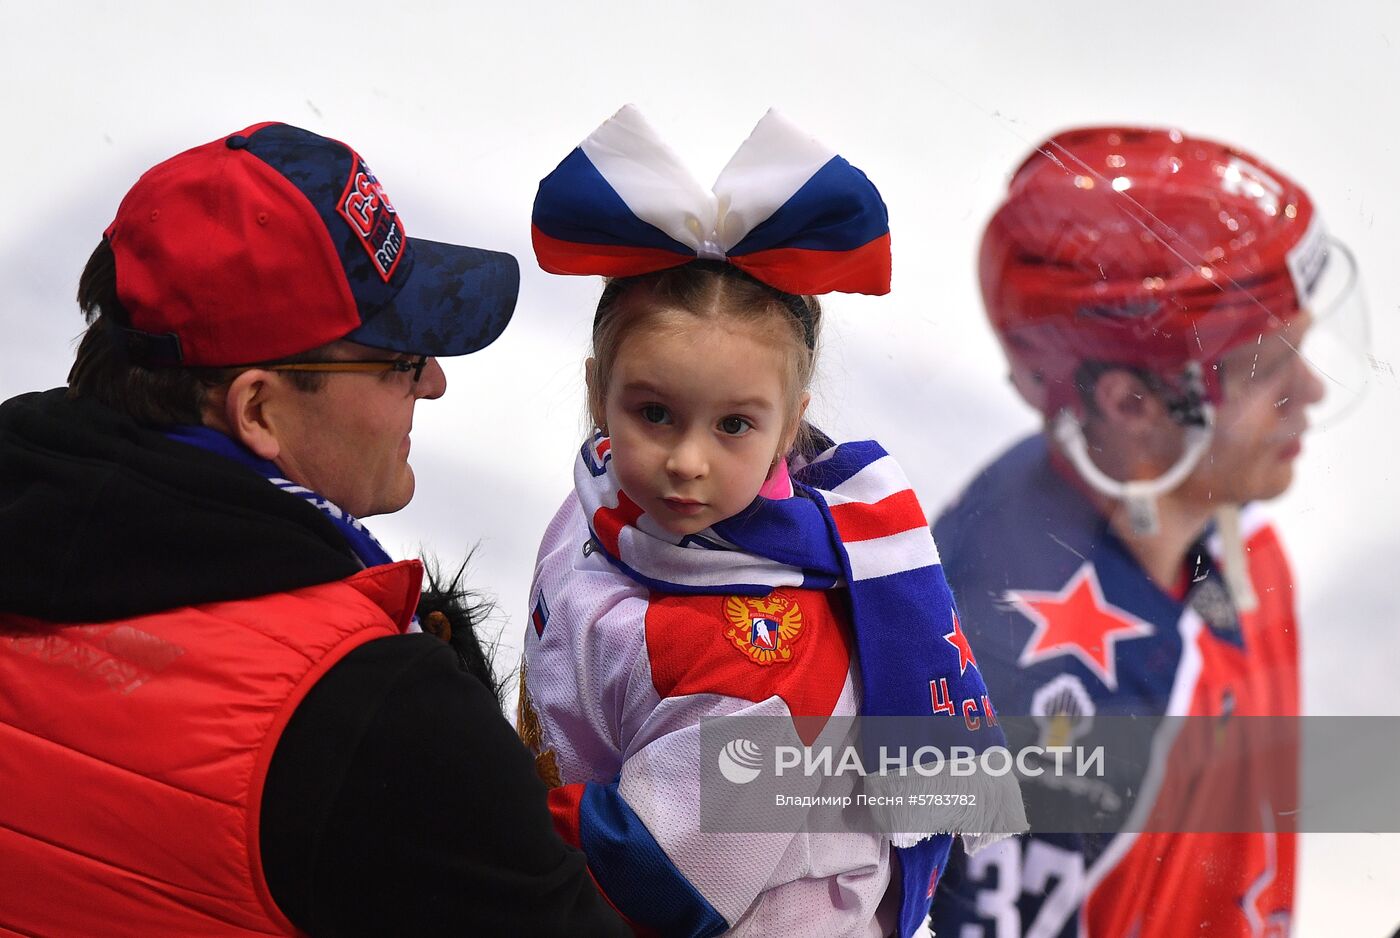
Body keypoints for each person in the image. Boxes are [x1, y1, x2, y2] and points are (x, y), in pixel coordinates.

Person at [0, 122, 626, 936]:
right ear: (259, 409)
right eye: (398, 358)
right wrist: (826, 779)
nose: (433, 382)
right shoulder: (378, 719)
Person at [516, 106, 1025, 938]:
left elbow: (661, 880)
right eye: (654, 412)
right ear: (597, 390)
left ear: (791, 428)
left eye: (733, 426)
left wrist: (481, 804)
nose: (686, 461)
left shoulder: (768, 659)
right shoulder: (601, 503)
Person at [929, 126, 1360, 936]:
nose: (1311, 392)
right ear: (1130, 406)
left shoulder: (1235, 537)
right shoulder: (1023, 723)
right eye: (1269, 366)